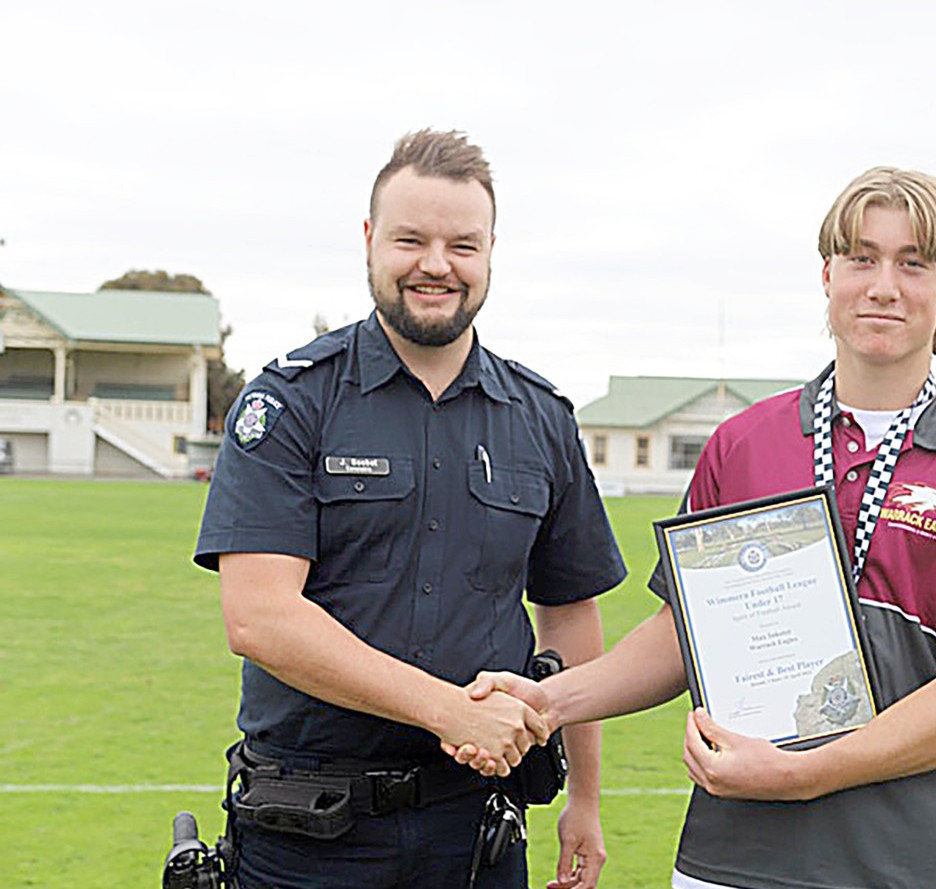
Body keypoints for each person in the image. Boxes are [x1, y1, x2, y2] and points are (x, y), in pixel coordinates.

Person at [461, 166, 936, 888]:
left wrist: (803, 772)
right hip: (733, 860)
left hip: (913, 864)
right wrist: (549, 700)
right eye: (861, 258)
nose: (882, 285)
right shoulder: (742, 444)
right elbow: (681, 635)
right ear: (827, 272)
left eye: (912, 263)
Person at [193, 128, 625, 889]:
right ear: (368, 241)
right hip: (309, 836)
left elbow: (569, 618)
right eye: (410, 239)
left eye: (462, 244)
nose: (436, 264)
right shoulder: (290, 402)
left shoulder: (542, 417)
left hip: (479, 835)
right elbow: (258, 617)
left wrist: (584, 798)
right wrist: (447, 711)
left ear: (492, 250)